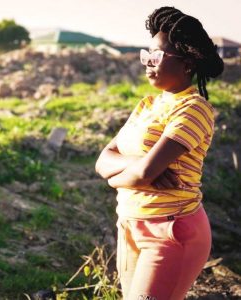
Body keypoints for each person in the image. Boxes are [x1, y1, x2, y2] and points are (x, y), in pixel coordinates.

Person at [95, 6, 224, 300]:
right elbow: (104, 159)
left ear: (188, 63)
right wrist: (138, 165)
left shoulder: (194, 109)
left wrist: (120, 176)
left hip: (172, 231)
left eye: (156, 57)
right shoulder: (147, 105)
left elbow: (143, 175)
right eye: (146, 56)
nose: (147, 64)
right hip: (129, 224)